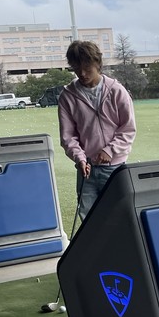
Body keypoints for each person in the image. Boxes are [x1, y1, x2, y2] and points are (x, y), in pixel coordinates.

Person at [58, 40, 136, 219]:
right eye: (77, 69)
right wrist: (79, 158)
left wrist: (110, 150)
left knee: (119, 216)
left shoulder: (117, 91)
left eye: (87, 68)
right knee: (88, 220)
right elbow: (68, 136)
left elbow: (128, 128)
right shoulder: (67, 97)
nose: (82, 74)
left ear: (97, 64)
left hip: (115, 167)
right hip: (87, 169)